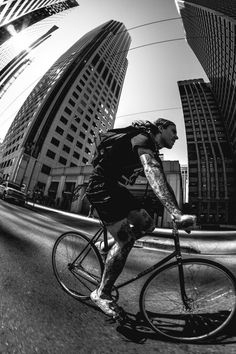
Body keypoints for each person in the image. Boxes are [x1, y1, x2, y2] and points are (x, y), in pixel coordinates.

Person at [86, 118, 196, 318]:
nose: (177, 136)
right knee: (126, 239)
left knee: (147, 224)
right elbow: (151, 170)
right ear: (160, 128)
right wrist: (175, 213)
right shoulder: (142, 139)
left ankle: (107, 246)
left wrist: (177, 210)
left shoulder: (152, 148)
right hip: (101, 187)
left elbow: (162, 180)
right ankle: (101, 293)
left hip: (117, 189)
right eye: (173, 131)